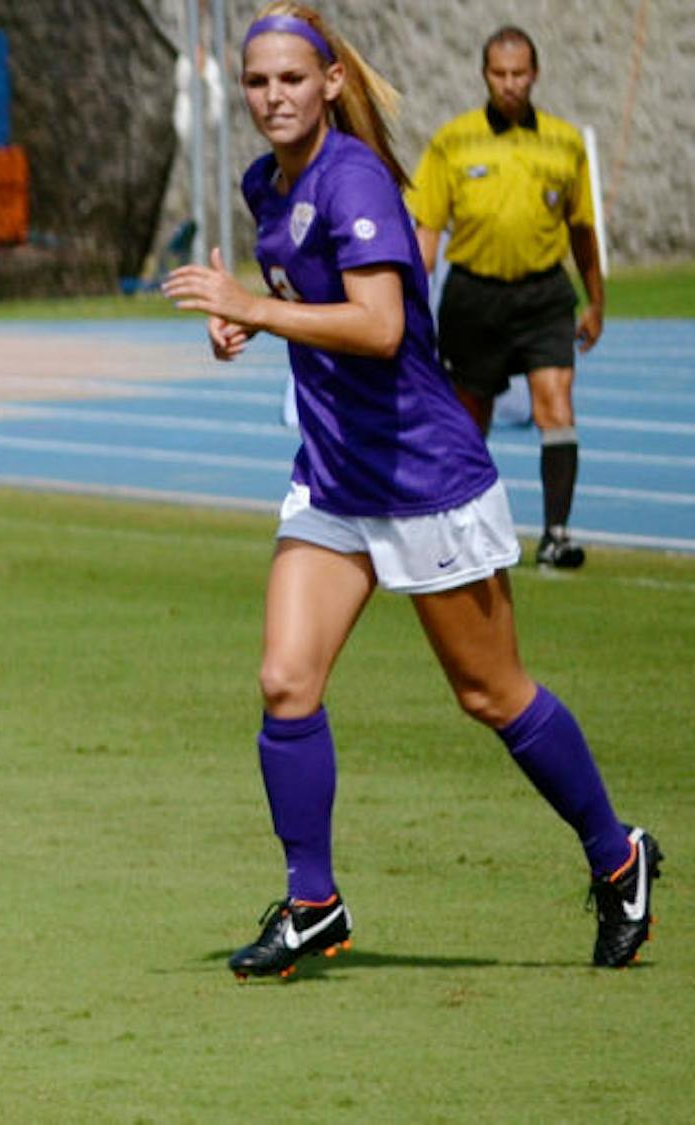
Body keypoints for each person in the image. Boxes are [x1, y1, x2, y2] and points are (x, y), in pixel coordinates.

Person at [160, 3, 658, 980]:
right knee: (284, 682)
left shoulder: (355, 179)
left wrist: (255, 306)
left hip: (425, 478)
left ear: (331, 83)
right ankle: (313, 905)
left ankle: (617, 855)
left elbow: (385, 326)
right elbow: (317, 302)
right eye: (258, 83)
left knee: (490, 692)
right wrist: (252, 324)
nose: (272, 98)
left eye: (291, 80)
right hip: (337, 477)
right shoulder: (269, 182)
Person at [407, 26, 604, 569]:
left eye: (520, 74)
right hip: (475, 297)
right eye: (500, 74)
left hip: (543, 295)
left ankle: (556, 535)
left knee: (556, 406)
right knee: (470, 422)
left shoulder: (564, 142)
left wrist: (596, 300)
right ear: (484, 75)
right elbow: (427, 234)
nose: (511, 84)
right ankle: (464, 532)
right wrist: (412, 306)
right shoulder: (453, 140)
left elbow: (582, 230)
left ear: (535, 74)